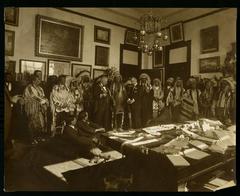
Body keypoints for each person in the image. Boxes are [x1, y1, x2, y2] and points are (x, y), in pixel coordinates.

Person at [23, 75, 49, 144]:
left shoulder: (40, 88)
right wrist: (43, 101)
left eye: (39, 79)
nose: (39, 81)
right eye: (38, 80)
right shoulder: (29, 87)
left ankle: (38, 137)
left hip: (39, 108)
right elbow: (33, 96)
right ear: (33, 80)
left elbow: (43, 96)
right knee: (32, 123)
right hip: (31, 107)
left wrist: (45, 100)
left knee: (40, 123)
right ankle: (32, 139)